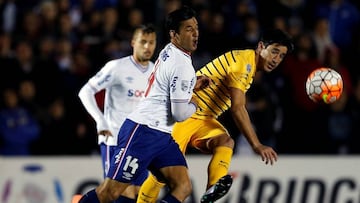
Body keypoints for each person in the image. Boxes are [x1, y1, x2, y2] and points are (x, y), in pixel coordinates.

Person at [137, 28, 294, 203]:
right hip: (183, 115)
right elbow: (238, 108)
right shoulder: (244, 64)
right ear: (260, 46)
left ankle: (210, 194)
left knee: (226, 142)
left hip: (203, 118)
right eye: (274, 51)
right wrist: (256, 145)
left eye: (281, 56)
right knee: (162, 174)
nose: (276, 59)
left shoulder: (248, 64)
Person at [78, 5, 210, 203]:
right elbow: (180, 113)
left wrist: (190, 86)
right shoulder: (181, 65)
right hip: (142, 133)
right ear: (174, 34)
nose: (195, 33)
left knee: (183, 186)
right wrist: (195, 103)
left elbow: (167, 85)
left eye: (196, 27)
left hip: (162, 136)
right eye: (189, 29)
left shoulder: (169, 51)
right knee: (111, 193)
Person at [77, 24, 157, 202]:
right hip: (115, 140)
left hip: (140, 144)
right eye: (143, 42)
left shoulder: (157, 73)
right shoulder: (117, 68)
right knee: (119, 192)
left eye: (151, 42)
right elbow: (85, 92)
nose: (147, 47)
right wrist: (100, 121)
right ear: (133, 43)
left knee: (138, 194)